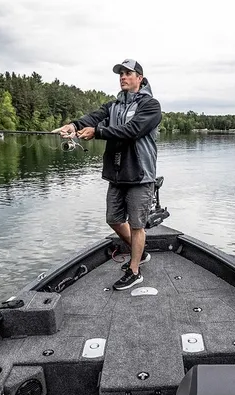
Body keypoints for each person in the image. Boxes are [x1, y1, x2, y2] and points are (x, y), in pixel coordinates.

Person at [53, 59, 161, 291]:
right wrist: (73, 126)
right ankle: (139, 253)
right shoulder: (113, 106)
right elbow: (93, 117)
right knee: (113, 219)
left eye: (128, 73)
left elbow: (132, 130)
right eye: (120, 73)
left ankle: (134, 270)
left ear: (139, 78)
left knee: (136, 225)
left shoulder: (151, 106)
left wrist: (98, 132)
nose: (122, 77)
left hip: (140, 174)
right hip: (116, 173)